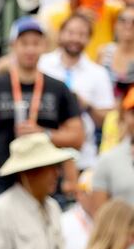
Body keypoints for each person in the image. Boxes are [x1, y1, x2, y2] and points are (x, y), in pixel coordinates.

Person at [0, 18, 84, 195]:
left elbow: (77, 137)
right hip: (5, 181)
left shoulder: (58, 88)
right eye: (24, 43)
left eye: (36, 43)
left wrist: (44, 133)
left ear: (44, 46)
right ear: (13, 45)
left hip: (48, 184)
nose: (30, 49)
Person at [38, 14, 115, 170]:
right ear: (61, 34)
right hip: (42, 154)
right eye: (71, 32)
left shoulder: (98, 73)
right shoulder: (42, 64)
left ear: (89, 39)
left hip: (83, 158)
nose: (75, 39)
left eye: (81, 34)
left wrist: (86, 105)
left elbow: (109, 118)